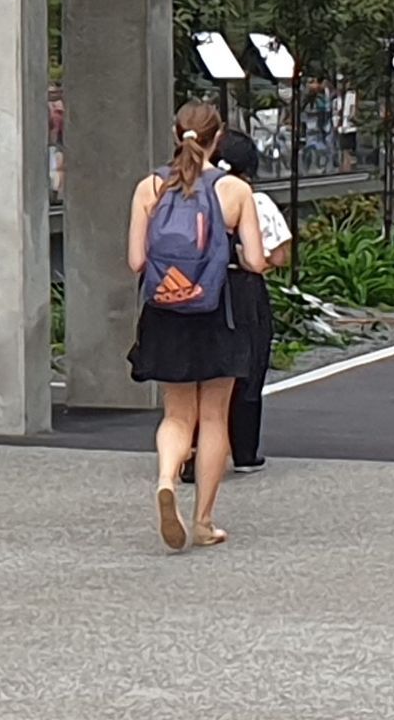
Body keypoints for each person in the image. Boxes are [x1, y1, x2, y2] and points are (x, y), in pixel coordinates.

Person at [128, 101, 272, 551]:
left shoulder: (150, 187)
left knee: (176, 414)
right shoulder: (235, 191)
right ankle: (204, 521)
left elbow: (135, 261)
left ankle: (168, 477)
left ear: (177, 134)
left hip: (167, 311)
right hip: (219, 311)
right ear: (219, 137)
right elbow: (255, 260)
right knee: (213, 416)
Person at [211, 130, 290, 474]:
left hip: (200, 290)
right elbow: (280, 255)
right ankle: (244, 450)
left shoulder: (191, 194)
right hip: (245, 291)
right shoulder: (255, 200)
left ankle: (192, 451)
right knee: (249, 366)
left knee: (206, 370)